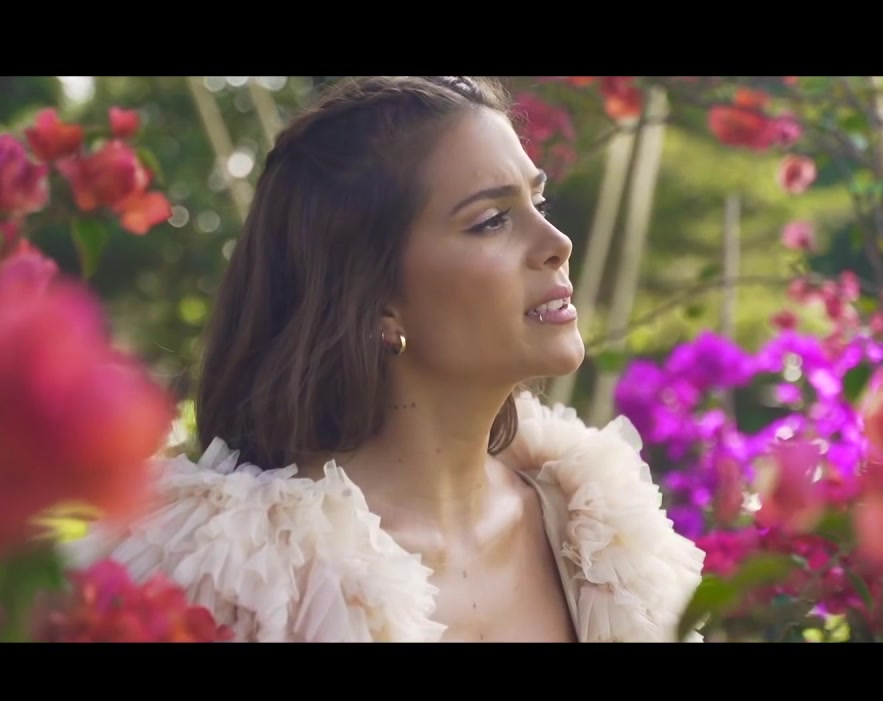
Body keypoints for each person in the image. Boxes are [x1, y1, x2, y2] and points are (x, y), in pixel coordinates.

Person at [64, 76, 706, 642]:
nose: (557, 243)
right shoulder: (231, 576)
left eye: (538, 204)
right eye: (491, 220)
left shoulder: (602, 535)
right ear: (375, 301)